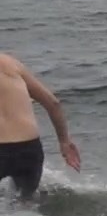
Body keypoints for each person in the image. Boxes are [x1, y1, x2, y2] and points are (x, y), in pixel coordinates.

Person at [0, 52, 82, 199]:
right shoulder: (10, 63)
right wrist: (64, 142)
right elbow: (53, 104)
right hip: (29, 149)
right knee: (25, 205)